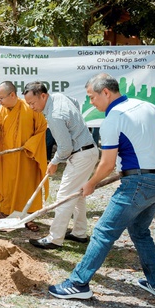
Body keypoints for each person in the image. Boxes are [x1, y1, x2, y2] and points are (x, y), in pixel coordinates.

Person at [48, 73, 155, 301]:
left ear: (105, 92)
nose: (91, 102)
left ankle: (78, 283)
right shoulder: (143, 105)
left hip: (136, 186)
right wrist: (154, 152)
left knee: (103, 233)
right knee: (139, 232)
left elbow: (106, 164)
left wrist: (90, 183)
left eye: (92, 97)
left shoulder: (113, 119)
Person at [23, 82, 98, 250]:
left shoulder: (55, 115)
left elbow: (65, 148)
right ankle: (79, 233)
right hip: (88, 150)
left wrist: (54, 162)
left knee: (64, 196)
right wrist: (76, 126)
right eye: (28, 104)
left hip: (81, 154)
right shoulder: (59, 97)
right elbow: (75, 103)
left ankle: (54, 238)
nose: (31, 107)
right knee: (77, 195)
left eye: (33, 103)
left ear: (43, 96)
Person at [0, 81, 48, 230]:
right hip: (6, 160)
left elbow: (42, 128)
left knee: (27, 188)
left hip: (27, 157)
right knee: (7, 188)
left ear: (13, 95)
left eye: (1, 98)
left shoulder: (30, 109)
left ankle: (28, 218)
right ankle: (6, 214)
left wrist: (30, 146)